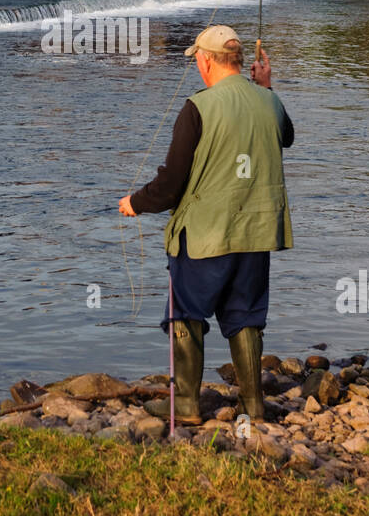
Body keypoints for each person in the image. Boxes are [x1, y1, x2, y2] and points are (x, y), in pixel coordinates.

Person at [118, 25, 294, 426]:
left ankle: (188, 405)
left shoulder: (197, 107)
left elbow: (170, 183)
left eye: (198, 58)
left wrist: (135, 204)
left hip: (204, 235)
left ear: (207, 60)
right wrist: (268, 87)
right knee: (245, 315)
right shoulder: (269, 101)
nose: (197, 64)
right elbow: (286, 136)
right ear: (237, 59)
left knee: (185, 313)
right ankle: (253, 406)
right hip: (255, 233)